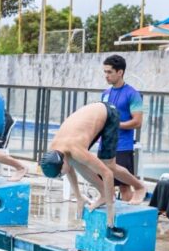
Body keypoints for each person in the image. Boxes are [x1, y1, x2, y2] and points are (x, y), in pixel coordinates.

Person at [39, 102, 146, 227]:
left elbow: (107, 174)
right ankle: (104, 195)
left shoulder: (74, 149)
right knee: (76, 163)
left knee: (108, 166)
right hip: (91, 118)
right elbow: (68, 169)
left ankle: (139, 187)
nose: (62, 176)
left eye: (60, 174)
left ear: (62, 162)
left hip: (109, 114)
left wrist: (110, 210)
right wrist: (78, 196)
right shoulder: (56, 150)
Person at [100, 54, 147, 202]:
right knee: (105, 185)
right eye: (105, 72)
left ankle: (128, 217)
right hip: (105, 145)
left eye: (109, 72)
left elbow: (137, 122)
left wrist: (116, 125)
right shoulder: (105, 94)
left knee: (124, 187)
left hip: (122, 146)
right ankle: (110, 218)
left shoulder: (132, 94)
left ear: (120, 72)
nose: (106, 76)